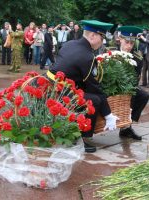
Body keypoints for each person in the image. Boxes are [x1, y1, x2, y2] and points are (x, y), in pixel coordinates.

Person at [48, 20, 117, 153]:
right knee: (94, 100)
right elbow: (94, 87)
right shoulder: (87, 56)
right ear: (92, 36)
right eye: (102, 37)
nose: (103, 42)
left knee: (86, 94)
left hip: (49, 85)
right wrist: (108, 114)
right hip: (60, 92)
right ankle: (83, 138)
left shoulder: (70, 44)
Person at [117, 25, 149, 140]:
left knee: (143, 96)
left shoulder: (137, 58)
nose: (129, 46)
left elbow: (136, 78)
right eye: (127, 42)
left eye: (132, 43)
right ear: (120, 39)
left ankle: (127, 126)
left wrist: (129, 89)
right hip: (113, 87)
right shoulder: (111, 54)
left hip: (129, 86)